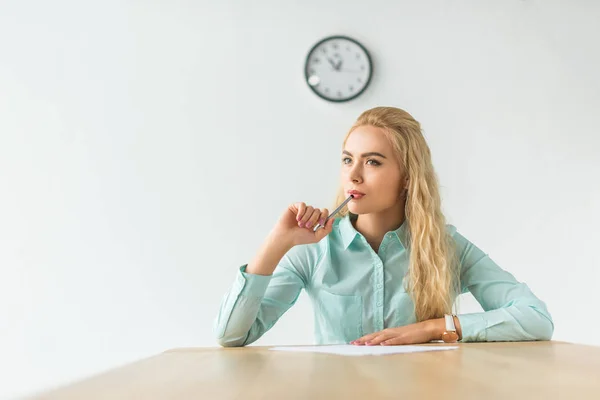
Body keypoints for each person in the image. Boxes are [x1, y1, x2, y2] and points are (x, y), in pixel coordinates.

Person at [213, 106, 553, 347]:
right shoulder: (317, 250)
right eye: (348, 159)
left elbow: (535, 317)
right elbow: (232, 336)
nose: (354, 174)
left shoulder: (445, 246)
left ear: (407, 178)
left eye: (372, 161)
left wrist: (433, 328)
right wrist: (277, 243)